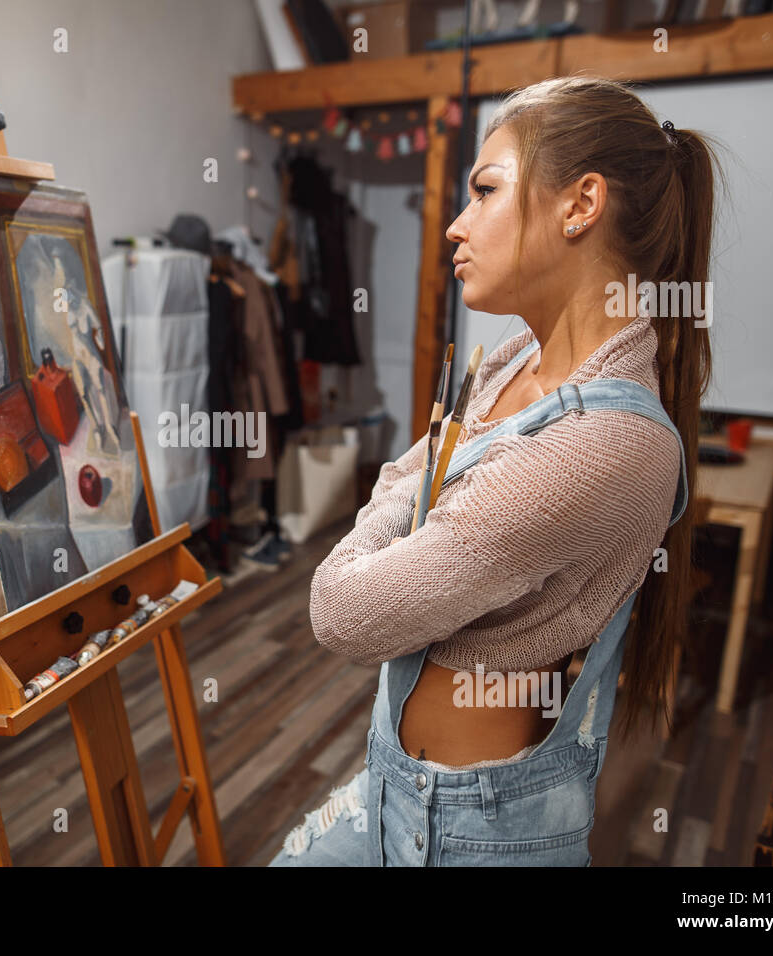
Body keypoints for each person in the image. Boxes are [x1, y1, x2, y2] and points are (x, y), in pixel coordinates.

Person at [270, 75, 719, 866]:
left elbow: (342, 608)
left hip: (479, 829)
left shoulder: (611, 443)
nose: (455, 224)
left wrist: (404, 494)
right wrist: (405, 492)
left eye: (484, 191)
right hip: (389, 782)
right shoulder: (516, 360)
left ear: (580, 205)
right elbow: (400, 489)